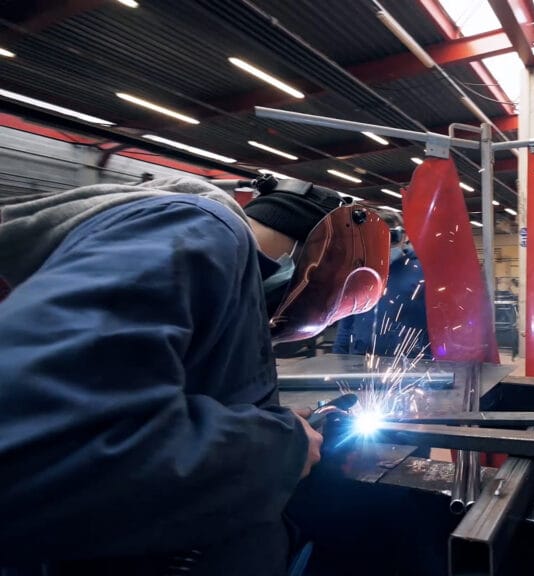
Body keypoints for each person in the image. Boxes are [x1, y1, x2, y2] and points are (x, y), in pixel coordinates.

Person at [0, 176, 342, 575]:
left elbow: (142, 391)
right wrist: (279, 447)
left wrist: (259, 421)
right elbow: (52, 443)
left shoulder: (203, 249)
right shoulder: (198, 228)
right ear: (314, 253)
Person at [333, 211, 430, 359]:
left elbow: (436, 324)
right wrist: (338, 359)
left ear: (404, 236)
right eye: (378, 237)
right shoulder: (359, 272)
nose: (386, 244)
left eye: (392, 237)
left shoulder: (423, 272)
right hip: (361, 360)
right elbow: (346, 323)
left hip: (408, 363)